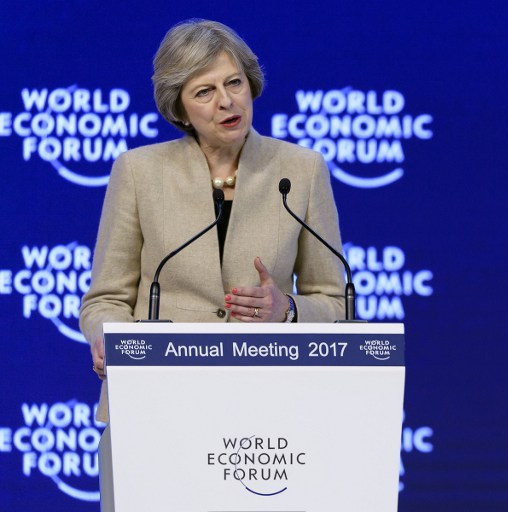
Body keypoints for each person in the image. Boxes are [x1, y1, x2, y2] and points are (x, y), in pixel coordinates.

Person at [79, 19, 346, 511]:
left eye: (234, 83)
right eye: (204, 91)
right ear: (178, 107)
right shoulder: (138, 172)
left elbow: (336, 301)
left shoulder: (302, 170)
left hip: (266, 428)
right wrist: (110, 338)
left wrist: (286, 310)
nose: (226, 102)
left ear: (251, 84)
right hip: (154, 409)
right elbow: (106, 298)